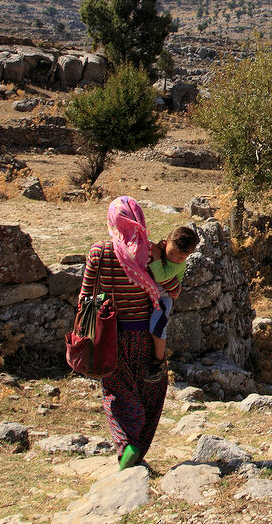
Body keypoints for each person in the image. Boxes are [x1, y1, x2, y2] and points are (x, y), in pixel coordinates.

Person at [79, 196, 181, 470]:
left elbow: (85, 297)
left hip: (111, 338)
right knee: (152, 387)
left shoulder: (99, 252)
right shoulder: (148, 253)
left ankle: (127, 446)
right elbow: (173, 289)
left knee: (116, 391)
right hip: (145, 338)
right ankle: (137, 448)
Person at [143, 225, 199, 383]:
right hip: (156, 294)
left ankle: (158, 362)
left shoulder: (177, 265)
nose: (174, 259)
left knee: (157, 328)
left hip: (164, 298)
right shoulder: (167, 250)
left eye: (180, 257)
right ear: (166, 242)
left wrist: (156, 257)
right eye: (171, 253)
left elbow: (160, 277)